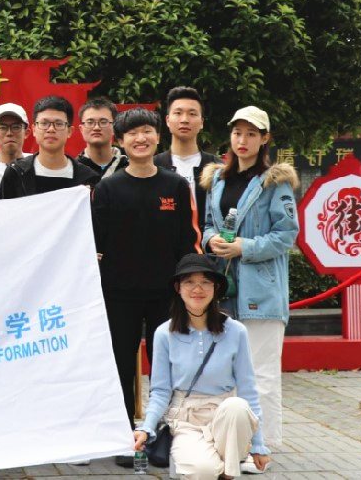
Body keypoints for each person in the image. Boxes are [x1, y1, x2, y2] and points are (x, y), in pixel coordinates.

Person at [91, 107, 201, 466]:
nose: (140, 138)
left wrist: (189, 288)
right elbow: (95, 243)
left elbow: (188, 242)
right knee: (120, 367)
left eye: (147, 131)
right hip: (118, 294)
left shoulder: (175, 186)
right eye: (132, 133)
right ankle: (124, 438)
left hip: (164, 295)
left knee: (167, 367)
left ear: (158, 136)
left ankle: (164, 435)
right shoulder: (108, 188)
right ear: (121, 141)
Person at [200, 106, 298, 473]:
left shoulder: (275, 182)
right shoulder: (217, 179)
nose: (243, 140)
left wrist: (246, 247)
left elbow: (286, 235)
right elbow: (208, 224)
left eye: (251, 134)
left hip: (262, 292)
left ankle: (262, 449)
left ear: (264, 138)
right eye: (237, 133)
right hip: (224, 288)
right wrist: (212, 240)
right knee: (225, 372)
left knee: (261, 374)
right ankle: (231, 444)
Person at [134, 253, 271, 479]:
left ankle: (227, 472)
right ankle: (222, 468)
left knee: (237, 406)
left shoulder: (236, 331)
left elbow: (248, 391)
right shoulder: (164, 333)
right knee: (202, 471)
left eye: (205, 282)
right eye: (189, 282)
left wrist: (258, 445)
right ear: (178, 288)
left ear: (216, 288)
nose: (197, 289)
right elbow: (160, 391)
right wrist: (146, 428)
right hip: (186, 420)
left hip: (227, 418)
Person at [0, 95, 99, 199]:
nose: (51, 129)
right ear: (34, 129)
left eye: (58, 124)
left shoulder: (88, 178)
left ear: (69, 131)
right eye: (44, 123)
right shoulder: (16, 174)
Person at [154, 87, 222, 231]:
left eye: (192, 114)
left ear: (202, 122)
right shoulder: (153, 166)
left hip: (207, 243)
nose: (184, 120)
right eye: (178, 113)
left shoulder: (218, 167)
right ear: (167, 120)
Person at [0, 103, 32, 196]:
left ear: (26, 133)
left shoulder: (36, 166)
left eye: (16, 127)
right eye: (3, 128)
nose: (9, 133)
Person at [75, 97, 128, 178]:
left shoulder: (129, 166)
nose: (96, 128)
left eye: (103, 122)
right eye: (90, 122)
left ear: (114, 127)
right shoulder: (74, 171)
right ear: (81, 129)